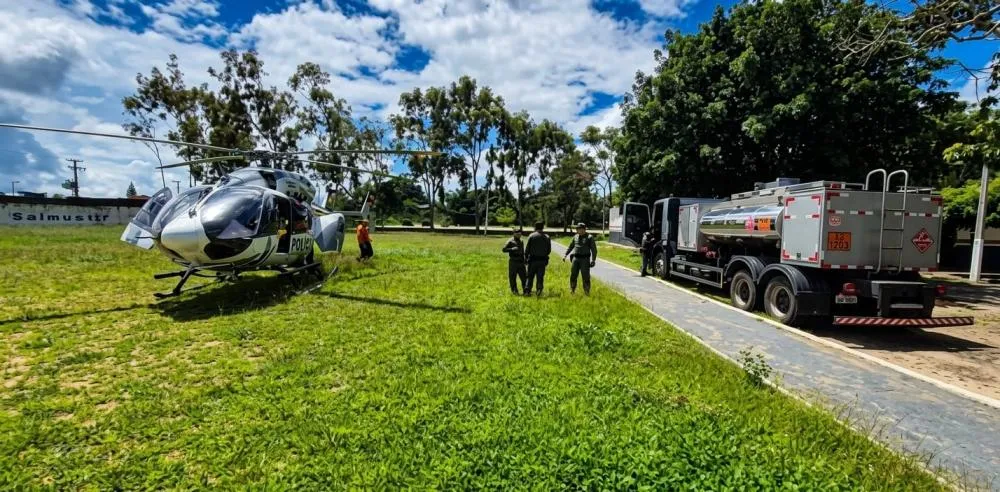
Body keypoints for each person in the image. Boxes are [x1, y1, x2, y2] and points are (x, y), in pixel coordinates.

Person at [563, 222, 598, 294]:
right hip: (575, 259)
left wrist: (593, 260)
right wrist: (565, 255)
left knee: (585, 276)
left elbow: (594, 250)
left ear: (585, 229)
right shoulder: (575, 237)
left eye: (582, 229)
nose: (580, 230)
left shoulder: (589, 237)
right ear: (577, 230)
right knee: (573, 275)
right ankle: (572, 289)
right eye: (579, 229)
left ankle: (587, 291)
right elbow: (570, 246)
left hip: (585, 260)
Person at [523, 221, 551, 296]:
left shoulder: (531, 236)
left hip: (532, 260)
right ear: (543, 227)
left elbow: (527, 249)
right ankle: (539, 290)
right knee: (540, 277)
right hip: (542, 261)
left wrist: (525, 258)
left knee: (530, 276)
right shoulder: (547, 237)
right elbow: (549, 250)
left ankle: (527, 291)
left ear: (535, 227)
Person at [502, 227, 527, 295]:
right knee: (512, 277)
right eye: (517, 234)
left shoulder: (521, 241)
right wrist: (512, 249)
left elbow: (522, 252)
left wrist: (525, 260)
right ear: (514, 234)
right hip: (513, 261)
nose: (519, 235)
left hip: (521, 261)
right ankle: (514, 291)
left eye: (520, 234)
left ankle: (526, 291)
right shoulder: (510, 241)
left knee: (524, 277)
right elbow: (503, 249)